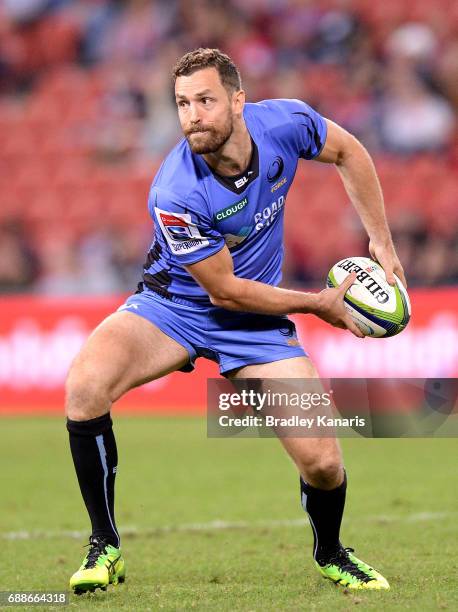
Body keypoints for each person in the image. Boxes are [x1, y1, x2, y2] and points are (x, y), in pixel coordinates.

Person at [66, 48, 406, 595]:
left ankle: (331, 551)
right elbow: (222, 291)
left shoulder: (287, 123)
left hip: (254, 325)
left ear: (238, 101)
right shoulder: (175, 189)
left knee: (322, 463)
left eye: (204, 100)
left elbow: (349, 151)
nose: (192, 116)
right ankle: (104, 547)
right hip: (171, 308)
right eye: (181, 104)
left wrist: (381, 241)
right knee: (84, 384)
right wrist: (318, 305)